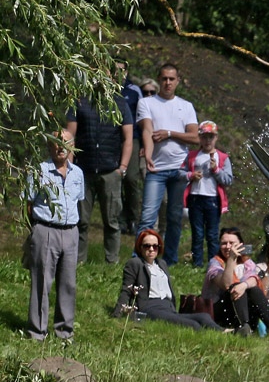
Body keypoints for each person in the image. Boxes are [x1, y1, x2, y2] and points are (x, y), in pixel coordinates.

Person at [135, 63, 199, 265]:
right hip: (157, 168)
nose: (168, 83)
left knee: (174, 216)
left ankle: (170, 259)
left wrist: (170, 133)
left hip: (180, 168)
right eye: (164, 79)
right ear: (159, 80)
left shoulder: (186, 106)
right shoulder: (147, 103)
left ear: (178, 81)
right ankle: (139, 258)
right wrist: (148, 155)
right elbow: (147, 129)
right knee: (148, 215)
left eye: (172, 79)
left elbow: (195, 137)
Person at [25, 130, 83, 342]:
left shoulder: (78, 173)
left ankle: (64, 332)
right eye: (56, 143)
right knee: (42, 282)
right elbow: (28, 204)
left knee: (68, 283)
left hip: (71, 232)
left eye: (65, 143)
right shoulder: (39, 171)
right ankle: (37, 332)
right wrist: (37, 230)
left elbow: (79, 201)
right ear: (49, 146)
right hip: (45, 230)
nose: (61, 147)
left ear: (72, 147)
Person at [65, 89, 133, 264]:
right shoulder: (78, 101)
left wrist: (122, 167)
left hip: (110, 171)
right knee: (80, 221)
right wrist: (70, 169)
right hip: (83, 170)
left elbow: (128, 138)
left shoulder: (120, 103)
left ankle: (112, 262)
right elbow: (70, 136)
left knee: (112, 221)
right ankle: (78, 261)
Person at [112, 229, 221, 330]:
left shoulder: (161, 264)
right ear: (140, 247)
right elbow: (126, 289)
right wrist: (117, 314)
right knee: (193, 325)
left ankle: (225, 332)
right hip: (150, 307)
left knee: (204, 316)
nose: (151, 249)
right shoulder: (135, 263)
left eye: (155, 246)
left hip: (168, 307)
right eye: (147, 246)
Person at [203, 227, 269, 345]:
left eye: (231, 243)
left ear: (240, 245)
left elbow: (254, 280)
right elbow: (226, 284)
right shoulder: (215, 263)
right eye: (224, 243)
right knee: (235, 286)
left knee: (253, 290)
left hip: (244, 312)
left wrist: (244, 285)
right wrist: (231, 259)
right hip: (221, 312)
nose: (227, 246)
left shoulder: (247, 263)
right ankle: (244, 329)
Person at [182, 121, 232, 267]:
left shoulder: (222, 157)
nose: (207, 140)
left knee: (212, 234)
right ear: (199, 138)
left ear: (216, 138)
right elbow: (180, 173)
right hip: (195, 197)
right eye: (204, 137)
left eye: (211, 137)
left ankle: (214, 263)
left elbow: (228, 179)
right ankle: (197, 264)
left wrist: (216, 170)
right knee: (197, 233)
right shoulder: (192, 156)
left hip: (213, 199)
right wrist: (191, 175)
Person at [116, 60, 144, 234]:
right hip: (112, 139)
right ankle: (119, 219)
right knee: (116, 180)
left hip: (132, 139)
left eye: (121, 70)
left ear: (126, 71)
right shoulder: (104, 89)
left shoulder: (134, 91)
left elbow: (142, 118)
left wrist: (142, 142)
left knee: (131, 179)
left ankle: (133, 218)